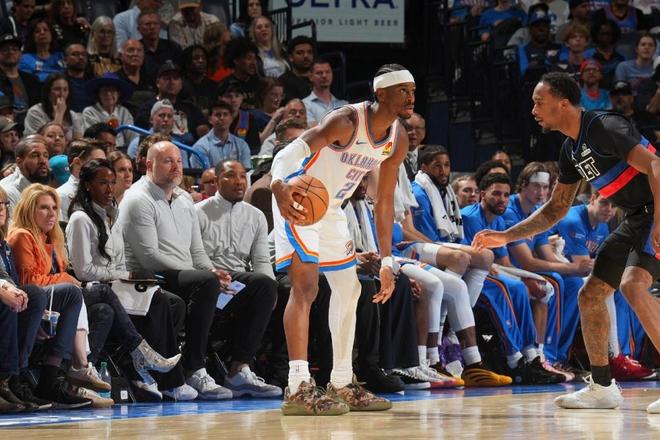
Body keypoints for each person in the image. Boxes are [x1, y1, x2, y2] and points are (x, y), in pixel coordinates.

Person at [473, 71, 660, 412]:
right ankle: (602, 388)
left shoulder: (604, 126)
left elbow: (657, 167)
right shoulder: (570, 150)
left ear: (562, 103)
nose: (533, 110)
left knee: (633, 285)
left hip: (655, 211)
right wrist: (506, 235)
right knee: (591, 295)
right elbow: (556, 209)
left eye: (538, 102)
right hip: (636, 217)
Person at [270, 64, 415, 415]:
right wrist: (278, 184)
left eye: (413, 91)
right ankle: (297, 385)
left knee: (350, 289)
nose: (411, 97)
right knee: (306, 287)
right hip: (299, 197)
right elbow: (290, 152)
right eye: (402, 91)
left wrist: (386, 260)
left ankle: (342, 382)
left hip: (332, 207)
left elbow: (384, 201)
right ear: (380, 94)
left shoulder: (398, 138)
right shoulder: (347, 121)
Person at [8, 183, 181, 405]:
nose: (51, 214)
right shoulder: (22, 236)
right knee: (100, 291)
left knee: (104, 311)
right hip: (35, 303)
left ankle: (66, 379)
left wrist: (65, 280)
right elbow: (29, 282)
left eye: (54, 208)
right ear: (28, 210)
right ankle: (137, 351)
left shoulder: (50, 238)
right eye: (43, 208)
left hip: (58, 302)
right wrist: (67, 279)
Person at [117, 141, 235, 400]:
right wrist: (204, 275)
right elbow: (149, 257)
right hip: (148, 275)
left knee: (258, 285)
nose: (176, 166)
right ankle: (195, 367)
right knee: (205, 283)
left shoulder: (183, 199)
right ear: (149, 165)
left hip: (185, 274)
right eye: (168, 161)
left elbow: (197, 250)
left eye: (179, 161)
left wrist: (212, 270)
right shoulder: (138, 199)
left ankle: (241, 368)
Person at [66, 159, 191, 401]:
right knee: (159, 302)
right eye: (102, 183)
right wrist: (123, 276)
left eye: (112, 182)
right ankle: (159, 375)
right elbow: (83, 271)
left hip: (119, 285)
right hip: (99, 288)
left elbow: (120, 262)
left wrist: (126, 277)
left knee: (175, 303)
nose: (109, 189)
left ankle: (143, 369)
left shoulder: (113, 216)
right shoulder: (80, 219)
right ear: (88, 185)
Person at [196, 159, 282, 397]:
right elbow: (192, 256)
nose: (239, 181)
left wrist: (272, 289)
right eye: (230, 175)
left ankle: (240, 370)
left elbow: (262, 260)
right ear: (216, 181)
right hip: (207, 282)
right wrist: (211, 274)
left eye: (243, 176)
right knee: (261, 285)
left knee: (272, 287)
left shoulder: (256, 216)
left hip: (239, 285)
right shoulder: (197, 212)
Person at [190, 100, 251, 170]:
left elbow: (246, 172)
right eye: (218, 115)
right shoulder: (200, 147)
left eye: (225, 114)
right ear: (210, 119)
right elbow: (200, 175)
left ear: (231, 119)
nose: (222, 118)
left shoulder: (242, 145)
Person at [57, 138, 107, 222]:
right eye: (97, 163)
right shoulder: (61, 196)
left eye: (105, 163)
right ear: (77, 162)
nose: (105, 168)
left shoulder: (106, 192)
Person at [24, 73, 83, 141]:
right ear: (48, 91)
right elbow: (46, 141)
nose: (62, 94)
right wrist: (59, 114)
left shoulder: (72, 115)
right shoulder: (35, 112)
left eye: (65, 89)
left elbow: (79, 142)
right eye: (57, 89)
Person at [82, 73, 135, 148]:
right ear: (98, 94)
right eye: (104, 90)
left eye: (112, 90)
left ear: (118, 94)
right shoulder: (90, 112)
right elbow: (92, 138)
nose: (108, 94)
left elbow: (132, 136)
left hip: (123, 150)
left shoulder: (124, 111)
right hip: (100, 149)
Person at [0, 134, 50, 210]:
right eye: (35, 155)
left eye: (46, 156)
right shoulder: (7, 193)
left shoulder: (47, 189)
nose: (43, 161)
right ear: (19, 162)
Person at [0, 33, 41, 123]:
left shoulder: (32, 80)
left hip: (32, 124)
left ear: (20, 54)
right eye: (5, 49)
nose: (10, 52)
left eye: (14, 49)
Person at [137, 9, 183, 83]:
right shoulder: (136, 50)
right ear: (139, 29)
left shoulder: (173, 48)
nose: (152, 27)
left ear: (160, 26)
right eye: (147, 24)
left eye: (155, 24)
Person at [302, 59, 348, 127]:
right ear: (310, 77)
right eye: (319, 73)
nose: (324, 75)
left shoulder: (344, 104)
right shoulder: (304, 104)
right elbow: (314, 130)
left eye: (328, 72)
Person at [613, 31, 656, 96]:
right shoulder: (623, 67)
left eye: (650, 45)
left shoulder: (658, 68)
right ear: (636, 49)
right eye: (643, 44)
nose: (647, 47)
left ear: (654, 50)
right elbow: (619, 91)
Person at [278, 36, 314, 103]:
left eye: (309, 52)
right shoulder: (283, 82)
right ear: (290, 57)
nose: (306, 56)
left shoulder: (321, 78)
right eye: (300, 53)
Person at [63, 42, 92, 113]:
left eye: (83, 54)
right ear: (65, 60)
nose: (81, 57)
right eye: (75, 54)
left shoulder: (93, 81)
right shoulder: (59, 81)